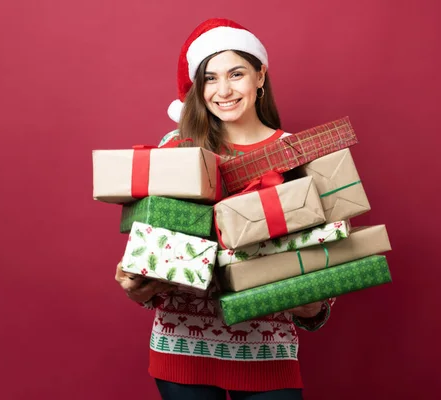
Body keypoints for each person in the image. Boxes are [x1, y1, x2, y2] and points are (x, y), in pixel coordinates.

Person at [115, 18, 335, 400]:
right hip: (182, 350)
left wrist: (312, 303)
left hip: (268, 352)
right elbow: (152, 246)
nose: (224, 90)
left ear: (260, 76)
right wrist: (137, 286)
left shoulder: (297, 153)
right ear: (199, 89)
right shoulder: (176, 148)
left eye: (236, 74)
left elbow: (327, 253)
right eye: (210, 79)